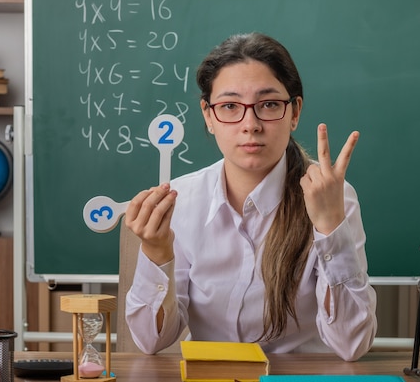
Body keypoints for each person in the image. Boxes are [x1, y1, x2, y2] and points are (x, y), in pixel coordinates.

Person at [124, 32, 377, 361]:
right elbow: (151, 341)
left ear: (295, 111)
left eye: (269, 104)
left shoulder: (330, 195)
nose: (250, 124)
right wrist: (157, 252)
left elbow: (352, 344)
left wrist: (330, 228)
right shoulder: (183, 198)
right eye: (230, 106)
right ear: (208, 115)